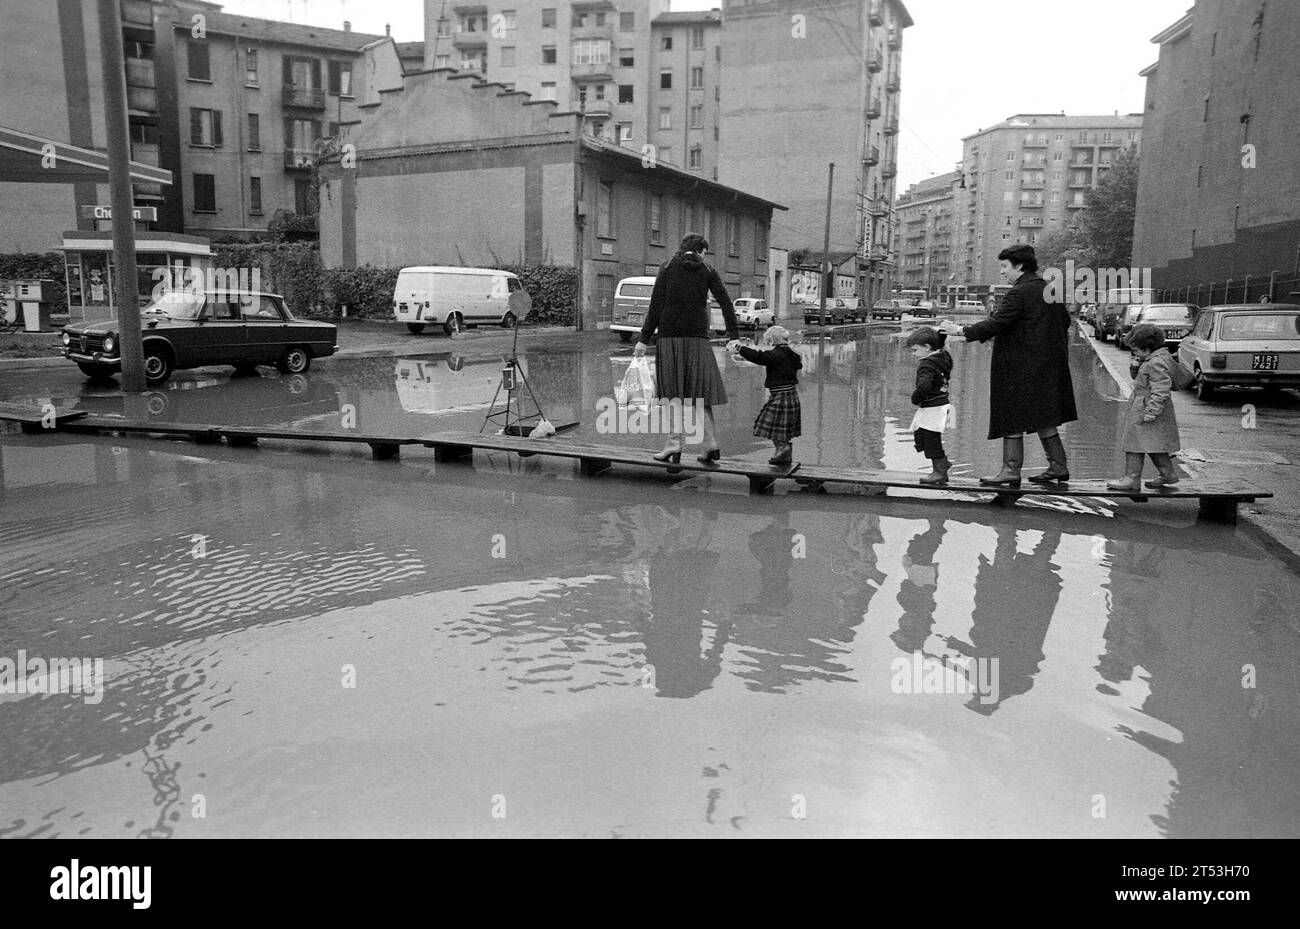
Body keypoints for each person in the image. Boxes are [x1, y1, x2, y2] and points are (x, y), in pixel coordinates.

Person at [941, 244, 1077, 487]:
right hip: (1049, 367)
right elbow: (1064, 321)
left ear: (1020, 265)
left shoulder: (1019, 292)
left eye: (1004, 266)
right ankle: (1058, 466)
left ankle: (1010, 470)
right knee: (1045, 417)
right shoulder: (1050, 290)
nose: (1002, 272)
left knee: (1011, 415)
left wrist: (960, 330)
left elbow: (997, 323)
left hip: (1019, 367)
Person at [634, 234, 738, 467]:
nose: (705, 256)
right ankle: (711, 443)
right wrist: (734, 335)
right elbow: (726, 302)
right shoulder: (707, 270)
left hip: (670, 337)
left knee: (673, 394)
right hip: (698, 338)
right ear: (700, 250)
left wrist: (643, 339)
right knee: (701, 394)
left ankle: (673, 445)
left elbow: (656, 304)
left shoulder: (667, 267)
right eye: (705, 252)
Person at [1107, 323, 1181, 490]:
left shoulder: (1155, 363)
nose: (1134, 353)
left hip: (1146, 408)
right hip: (1148, 407)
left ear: (1147, 348)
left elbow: (1161, 389)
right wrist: (1136, 364)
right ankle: (1168, 474)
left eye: (1136, 350)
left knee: (1133, 443)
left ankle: (1131, 478)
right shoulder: (1152, 359)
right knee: (1155, 444)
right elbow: (1139, 378)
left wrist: (1151, 412)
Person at [735, 325, 802, 464]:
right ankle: (783, 453)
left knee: (769, 423)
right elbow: (798, 364)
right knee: (783, 428)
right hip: (791, 395)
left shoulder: (776, 354)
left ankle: (782, 449)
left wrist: (740, 348)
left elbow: (758, 357)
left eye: (769, 341)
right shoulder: (792, 355)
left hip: (781, 396)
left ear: (773, 340)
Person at [905, 326, 954, 485]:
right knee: (925, 435)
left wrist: (916, 398)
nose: (913, 354)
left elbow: (924, 386)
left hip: (932, 407)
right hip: (943, 404)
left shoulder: (926, 364)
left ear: (927, 347)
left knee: (931, 439)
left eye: (915, 350)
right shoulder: (943, 357)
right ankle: (943, 463)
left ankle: (939, 472)